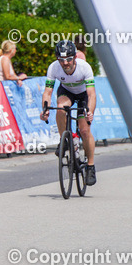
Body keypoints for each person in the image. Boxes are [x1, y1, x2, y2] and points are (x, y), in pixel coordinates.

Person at [40, 39, 97, 185]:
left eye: (69, 59)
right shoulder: (54, 67)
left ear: (75, 57)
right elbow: (47, 92)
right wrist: (45, 109)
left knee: (84, 130)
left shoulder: (84, 67)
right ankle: (64, 140)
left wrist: (90, 111)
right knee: (60, 108)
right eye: (61, 60)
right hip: (67, 91)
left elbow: (91, 94)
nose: (65, 63)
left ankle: (90, 166)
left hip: (84, 95)